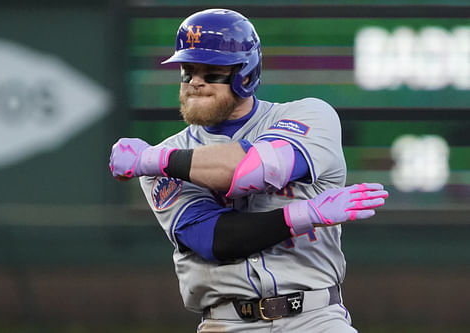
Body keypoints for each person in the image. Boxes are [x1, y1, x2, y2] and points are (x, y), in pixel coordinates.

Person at [109, 8, 388, 333]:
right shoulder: (170, 151)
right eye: (188, 71)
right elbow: (216, 240)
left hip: (315, 318)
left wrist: (153, 160)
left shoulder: (310, 115)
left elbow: (247, 171)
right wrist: (305, 214)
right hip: (225, 322)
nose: (195, 82)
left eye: (212, 72)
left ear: (246, 73)